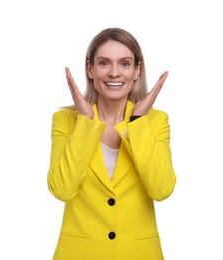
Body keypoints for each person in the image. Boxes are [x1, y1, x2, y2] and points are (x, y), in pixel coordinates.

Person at [47, 27, 176, 260]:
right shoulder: (66, 121)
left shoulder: (156, 121)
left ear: (137, 70)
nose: (114, 73)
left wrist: (137, 122)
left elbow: (161, 189)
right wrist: (85, 123)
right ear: (90, 69)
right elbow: (62, 189)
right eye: (104, 63)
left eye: (125, 64)